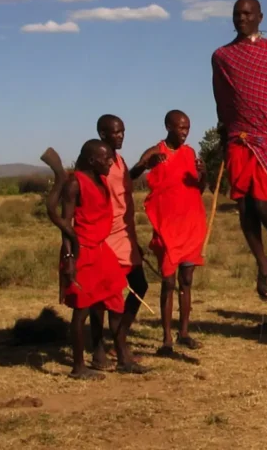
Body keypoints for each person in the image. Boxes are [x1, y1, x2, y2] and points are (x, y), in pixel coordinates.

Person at [212, 0, 267, 301]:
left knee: (262, 201)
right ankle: (262, 265)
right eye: (237, 14)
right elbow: (221, 97)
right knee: (245, 206)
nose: (242, 18)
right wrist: (223, 131)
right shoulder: (223, 56)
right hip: (239, 137)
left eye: (248, 14)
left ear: (260, 17)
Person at [42, 140, 141, 378]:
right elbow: (66, 225)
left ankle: (123, 357)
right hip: (82, 252)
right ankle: (78, 367)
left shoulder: (102, 179)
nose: (111, 162)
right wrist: (69, 260)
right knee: (82, 311)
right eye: (106, 158)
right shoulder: (75, 184)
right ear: (92, 160)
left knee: (116, 302)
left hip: (101, 251)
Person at [135, 110, 208, 357]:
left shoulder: (189, 153)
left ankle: (184, 333)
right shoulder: (156, 152)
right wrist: (145, 164)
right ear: (168, 126)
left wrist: (204, 172)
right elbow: (132, 175)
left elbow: (199, 188)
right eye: (181, 128)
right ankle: (166, 339)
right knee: (168, 282)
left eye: (188, 128)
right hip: (167, 228)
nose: (185, 133)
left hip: (191, 225)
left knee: (186, 282)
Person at [88, 114, 148, 371]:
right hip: (107, 236)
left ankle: (118, 338)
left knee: (139, 285)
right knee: (103, 296)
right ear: (103, 134)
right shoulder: (99, 164)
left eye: (123, 132)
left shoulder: (119, 160)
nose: (121, 136)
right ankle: (103, 349)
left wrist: (142, 166)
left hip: (125, 233)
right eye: (116, 132)